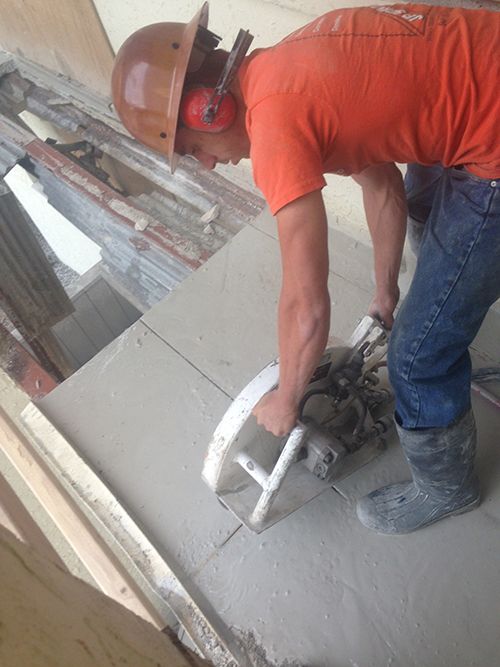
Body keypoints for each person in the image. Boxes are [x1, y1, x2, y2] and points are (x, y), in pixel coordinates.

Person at [111, 3, 500, 534]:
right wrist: (385, 292)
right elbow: (383, 186)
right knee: (425, 206)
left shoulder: (276, 127)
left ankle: (448, 489)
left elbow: (306, 304)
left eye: (192, 147)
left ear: (209, 110)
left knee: (415, 356)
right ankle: (456, 299)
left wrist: (287, 398)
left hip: (492, 147)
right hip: (481, 82)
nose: (206, 161)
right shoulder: (285, 68)